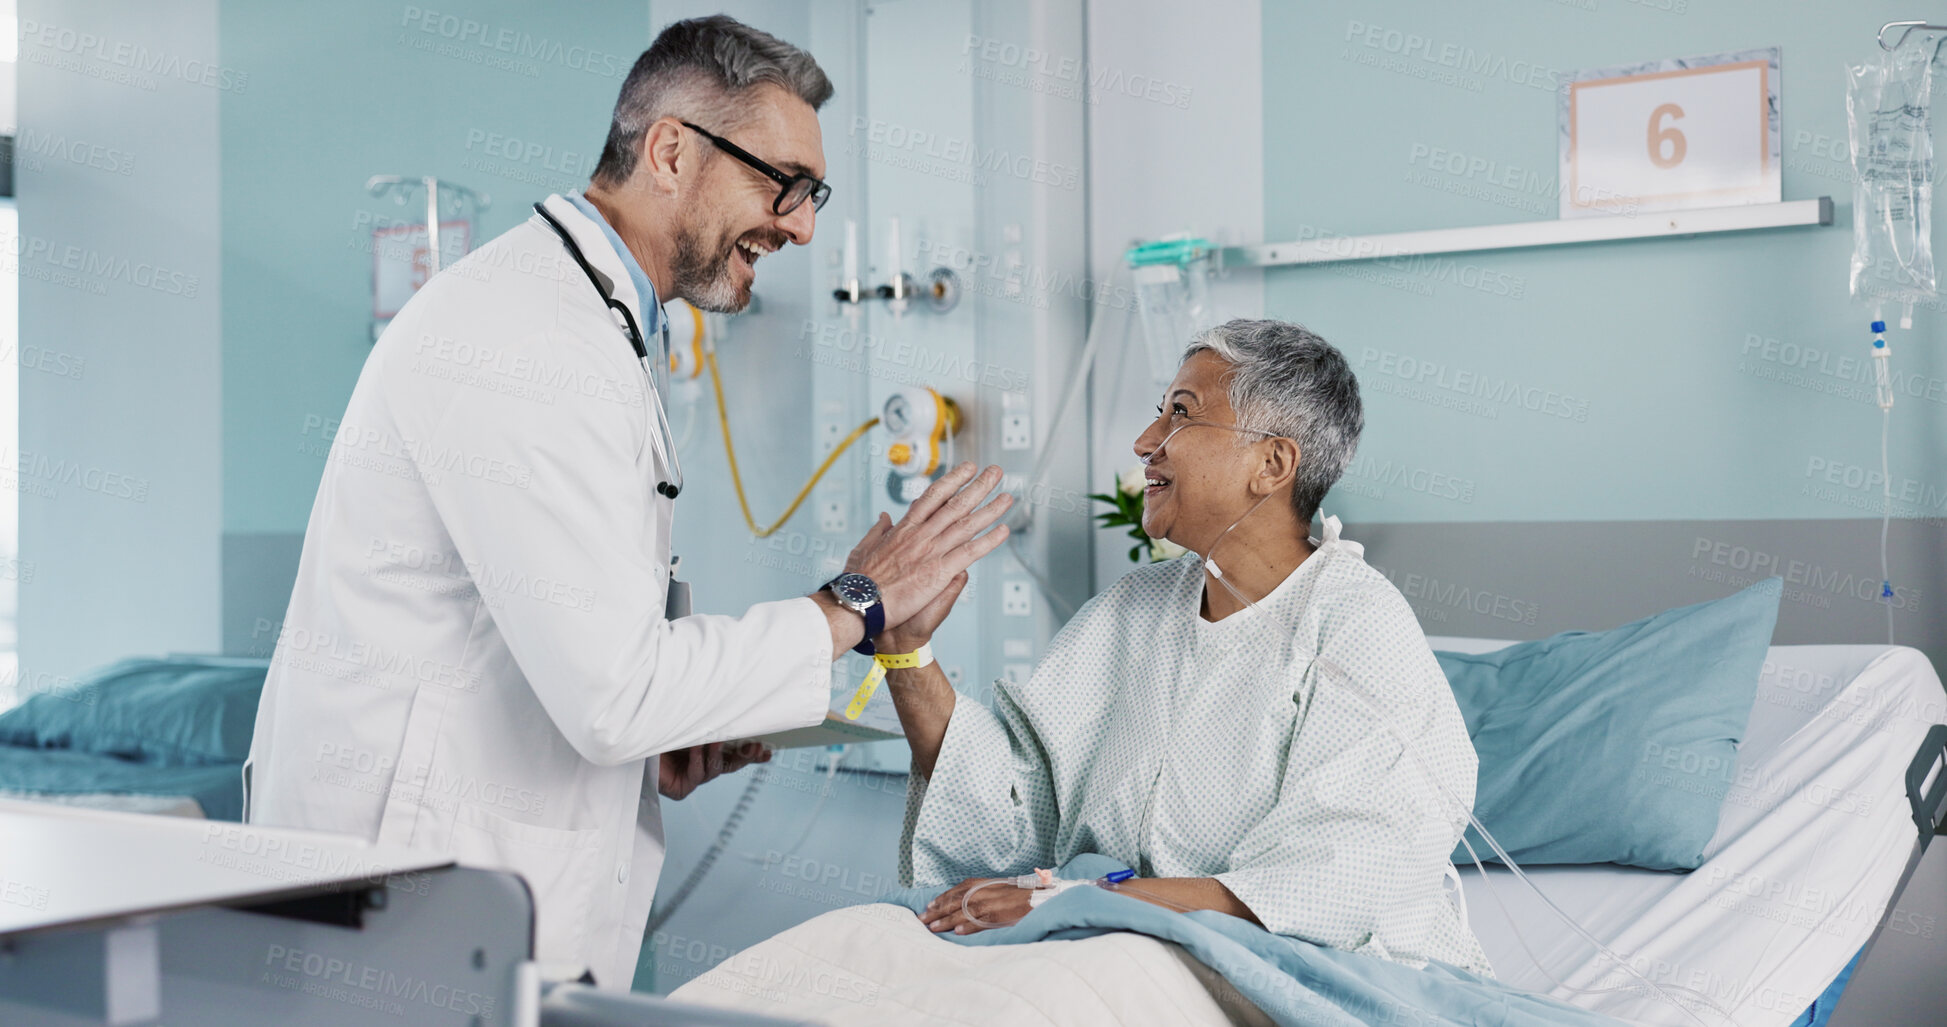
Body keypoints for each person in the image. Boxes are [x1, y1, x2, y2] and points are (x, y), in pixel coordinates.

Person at [244, 15, 1011, 990]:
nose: (802, 225)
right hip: (405, 911)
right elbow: (613, 694)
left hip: (463, 905)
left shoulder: (591, 326)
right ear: (670, 151)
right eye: (784, 185)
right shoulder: (527, 338)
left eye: (813, 195)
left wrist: (660, 750)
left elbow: (577, 661)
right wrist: (855, 606)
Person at [880, 319, 1492, 974]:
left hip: (1265, 971)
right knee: (867, 954)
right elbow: (1010, 812)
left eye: (1180, 414)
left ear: (1272, 463)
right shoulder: (1131, 611)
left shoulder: (1354, 624)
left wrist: (1074, 901)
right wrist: (906, 653)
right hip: (1108, 948)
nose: (1146, 443)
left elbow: (1339, 882)